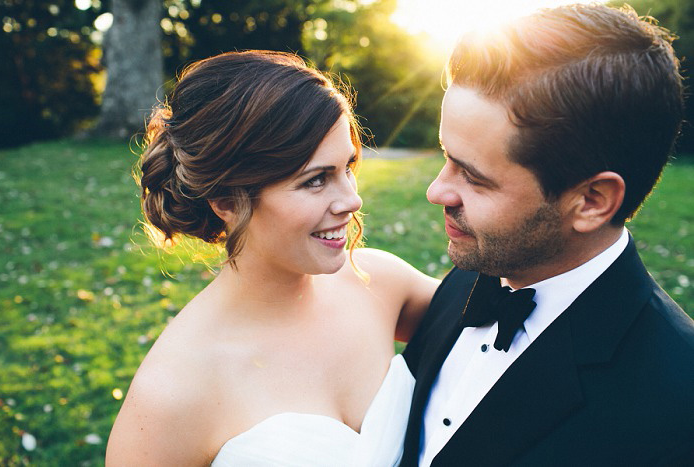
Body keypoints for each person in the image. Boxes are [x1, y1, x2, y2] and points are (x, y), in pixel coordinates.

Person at [105, 50, 439, 466]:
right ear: (226, 200)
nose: (352, 199)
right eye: (316, 180)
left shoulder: (381, 283)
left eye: (347, 167)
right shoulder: (171, 394)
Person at [401, 4, 694, 466]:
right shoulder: (467, 278)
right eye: (445, 155)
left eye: (473, 177)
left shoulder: (678, 406)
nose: (436, 190)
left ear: (592, 201)